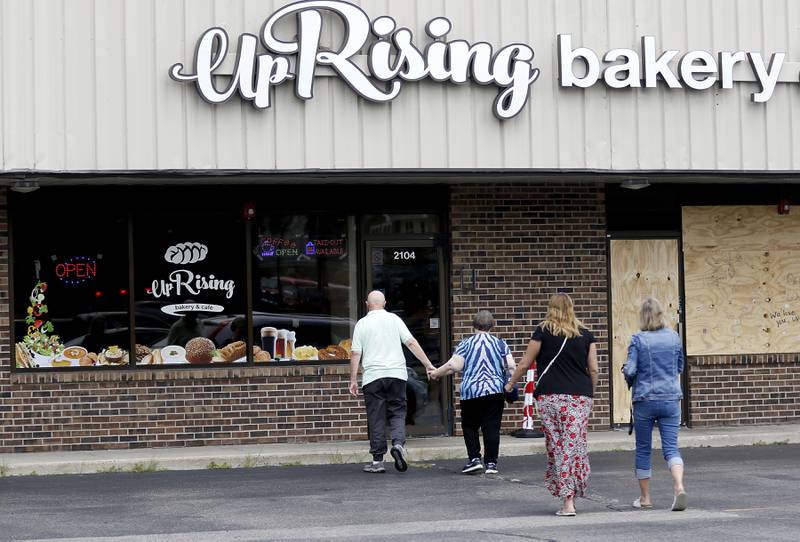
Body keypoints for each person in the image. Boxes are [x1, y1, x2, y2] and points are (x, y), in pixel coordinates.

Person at [506, 293, 599, 516]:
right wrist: (590, 393)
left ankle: (567, 500)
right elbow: (594, 369)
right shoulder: (586, 334)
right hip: (579, 396)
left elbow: (525, 363)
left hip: (550, 397)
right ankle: (572, 495)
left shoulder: (542, 331)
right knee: (574, 447)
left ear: (551, 308)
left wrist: (510, 385)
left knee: (557, 446)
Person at [349, 290, 435, 474]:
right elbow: (411, 342)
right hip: (397, 375)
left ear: (366, 304)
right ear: (385, 303)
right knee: (397, 413)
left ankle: (377, 461)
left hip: (373, 377)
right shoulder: (394, 319)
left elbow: (356, 353)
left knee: (376, 417)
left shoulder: (361, 324)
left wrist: (353, 379)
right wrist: (428, 364)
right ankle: (397, 444)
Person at [429, 310, 515, 475]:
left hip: (471, 392)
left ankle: (474, 459)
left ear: (474, 325)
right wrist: (511, 383)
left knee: (470, 426)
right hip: (495, 391)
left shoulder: (466, 344)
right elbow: (511, 366)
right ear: (492, 326)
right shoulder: (500, 344)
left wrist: (436, 373)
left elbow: (454, 366)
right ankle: (491, 464)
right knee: (492, 427)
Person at [623, 297, 687, 512]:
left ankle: (645, 498)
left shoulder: (638, 339)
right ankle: (678, 487)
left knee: (643, 449)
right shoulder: (674, 337)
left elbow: (631, 370)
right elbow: (680, 366)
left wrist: (627, 375)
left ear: (643, 317)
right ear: (661, 315)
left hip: (645, 400)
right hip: (670, 398)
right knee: (671, 447)